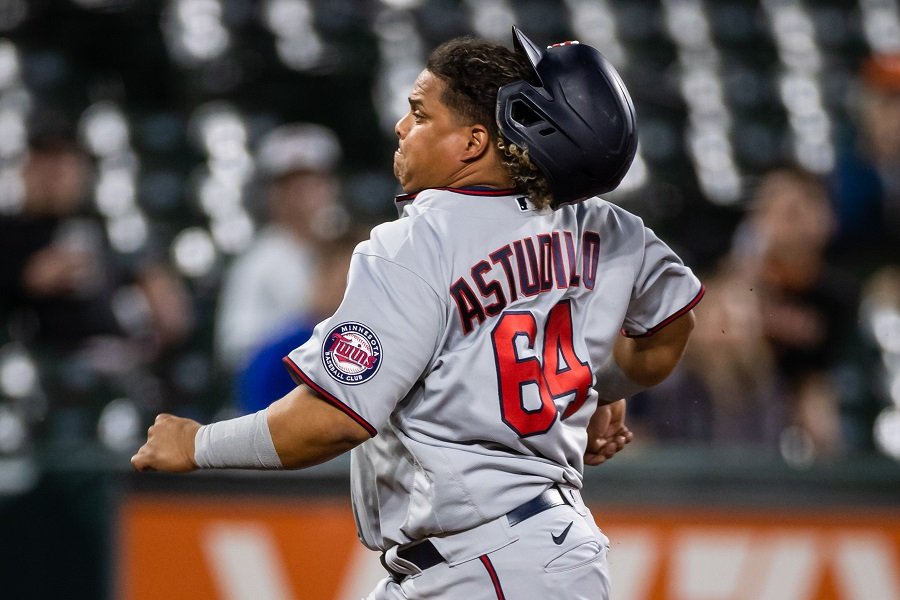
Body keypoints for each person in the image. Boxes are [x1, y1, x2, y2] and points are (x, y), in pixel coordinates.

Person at [133, 28, 703, 600]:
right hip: (524, 552)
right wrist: (597, 383)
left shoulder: (413, 246)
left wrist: (198, 444)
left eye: (420, 114)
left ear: (473, 142)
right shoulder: (606, 226)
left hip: (486, 562)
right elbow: (667, 330)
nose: (402, 128)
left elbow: (334, 420)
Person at [214, 122, 345, 372]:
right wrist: (305, 325)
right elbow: (237, 350)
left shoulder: (354, 246)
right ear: (273, 194)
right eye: (291, 185)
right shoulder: (258, 261)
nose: (304, 194)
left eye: (312, 181)